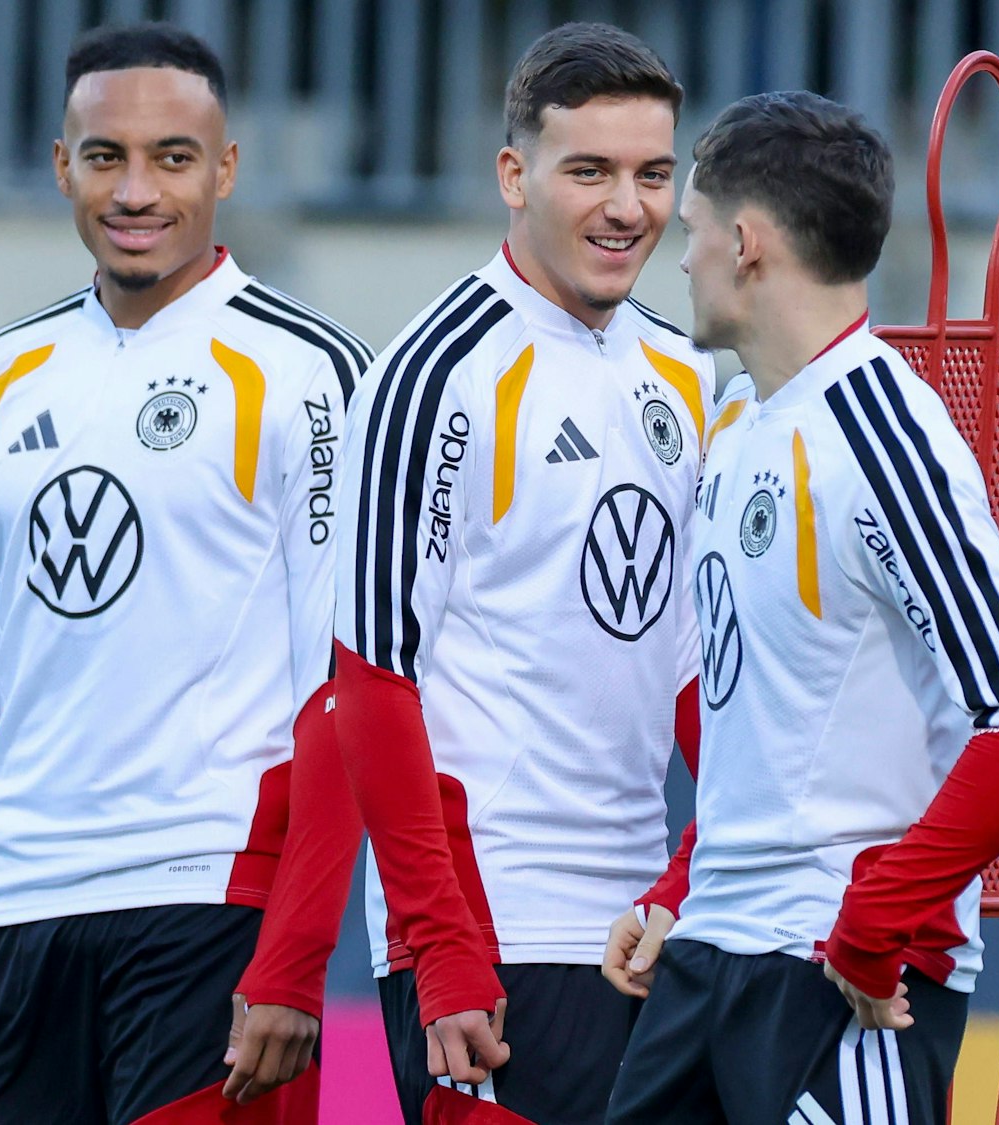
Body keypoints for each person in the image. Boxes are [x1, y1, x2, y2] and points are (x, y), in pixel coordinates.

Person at [0, 23, 369, 1125]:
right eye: (105, 156)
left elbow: (348, 692)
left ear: (225, 168)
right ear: (60, 164)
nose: (136, 191)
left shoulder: (313, 375)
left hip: (208, 897)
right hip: (16, 907)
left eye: (173, 157)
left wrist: (294, 954)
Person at [229, 22, 715, 1125]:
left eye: (651, 175)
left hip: (647, 937)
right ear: (512, 175)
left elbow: (694, 673)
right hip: (496, 941)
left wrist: (693, 877)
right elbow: (370, 682)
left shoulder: (685, 372)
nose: (625, 207)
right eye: (588, 171)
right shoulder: (430, 376)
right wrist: (443, 946)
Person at [601, 91, 999, 1125]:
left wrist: (876, 921)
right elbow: (770, 724)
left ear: (745, 243)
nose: (678, 258)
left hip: (837, 979)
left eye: (691, 229)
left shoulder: (880, 438)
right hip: (708, 952)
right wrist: (681, 886)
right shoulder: (738, 418)